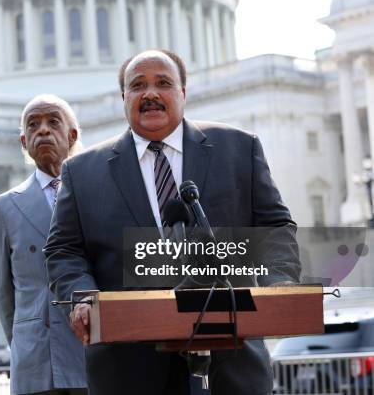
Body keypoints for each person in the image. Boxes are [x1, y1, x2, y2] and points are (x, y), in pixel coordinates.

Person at [44, 50, 301, 395]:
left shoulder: (239, 149)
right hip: (128, 366)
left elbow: (274, 227)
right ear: (124, 98)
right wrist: (83, 297)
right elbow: (64, 249)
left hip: (232, 361)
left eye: (163, 83)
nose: (150, 93)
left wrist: (279, 283)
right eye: (138, 86)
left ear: (182, 93)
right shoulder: (82, 171)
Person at [0, 94, 87, 395]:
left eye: (53, 122)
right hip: (36, 360)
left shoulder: (94, 196)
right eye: (33, 125)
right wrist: (22, 341)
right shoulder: (2, 209)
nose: (42, 130)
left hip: (88, 352)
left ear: (72, 135)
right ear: (23, 140)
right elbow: (3, 294)